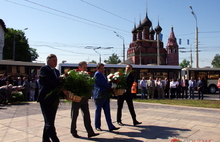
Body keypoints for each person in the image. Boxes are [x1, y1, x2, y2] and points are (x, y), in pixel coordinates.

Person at [70, 61, 99, 138]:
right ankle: (73, 131)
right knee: (74, 115)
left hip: (84, 99)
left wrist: (88, 97)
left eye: (86, 67)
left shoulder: (87, 75)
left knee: (87, 115)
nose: (86, 69)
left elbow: (89, 87)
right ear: (79, 67)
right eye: (84, 67)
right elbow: (72, 86)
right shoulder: (75, 74)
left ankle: (90, 132)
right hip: (76, 98)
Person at [37, 54, 61, 142]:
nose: (56, 62)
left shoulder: (57, 71)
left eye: (56, 60)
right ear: (48, 61)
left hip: (54, 99)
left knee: (49, 121)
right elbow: (52, 82)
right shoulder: (44, 69)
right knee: (49, 122)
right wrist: (62, 85)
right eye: (54, 60)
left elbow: (58, 82)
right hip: (45, 99)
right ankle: (55, 139)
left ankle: (45, 139)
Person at [93, 63, 119, 131]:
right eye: (101, 68)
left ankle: (110, 126)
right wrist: (111, 86)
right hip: (99, 95)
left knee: (107, 111)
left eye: (103, 68)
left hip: (105, 95)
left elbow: (106, 82)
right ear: (97, 69)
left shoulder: (103, 74)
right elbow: (104, 84)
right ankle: (97, 126)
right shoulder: (97, 74)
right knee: (98, 111)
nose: (103, 70)